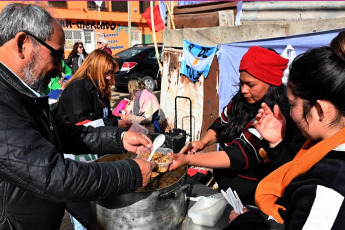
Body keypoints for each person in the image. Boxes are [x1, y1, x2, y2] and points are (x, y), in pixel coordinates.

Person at [0, 3, 156, 229]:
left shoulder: (23, 92)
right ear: (23, 44)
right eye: (56, 56)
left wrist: (119, 139)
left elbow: (66, 133)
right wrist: (131, 172)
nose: (61, 69)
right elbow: (54, 176)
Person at [226, 44, 345, 230]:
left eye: (292, 104)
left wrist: (243, 224)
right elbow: (295, 177)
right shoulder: (323, 143)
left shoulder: (328, 186)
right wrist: (277, 144)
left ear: (320, 110)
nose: (290, 113)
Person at [169, 46, 302, 205]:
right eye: (241, 83)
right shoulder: (242, 101)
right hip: (227, 191)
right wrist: (202, 142)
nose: (244, 90)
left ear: (270, 82)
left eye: (250, 84)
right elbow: (221, 124)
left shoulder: (273, 115)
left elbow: (238, 155)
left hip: (253, 198)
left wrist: (187, 160)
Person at [57, 49, 132, 129]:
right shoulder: (77, 88)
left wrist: (121, 121)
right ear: (94, 69)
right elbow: (85, 124)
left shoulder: (100, 87)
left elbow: (106, 116)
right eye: (106, 73)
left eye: (111, 72)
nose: (109, 77)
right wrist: (116, 124)